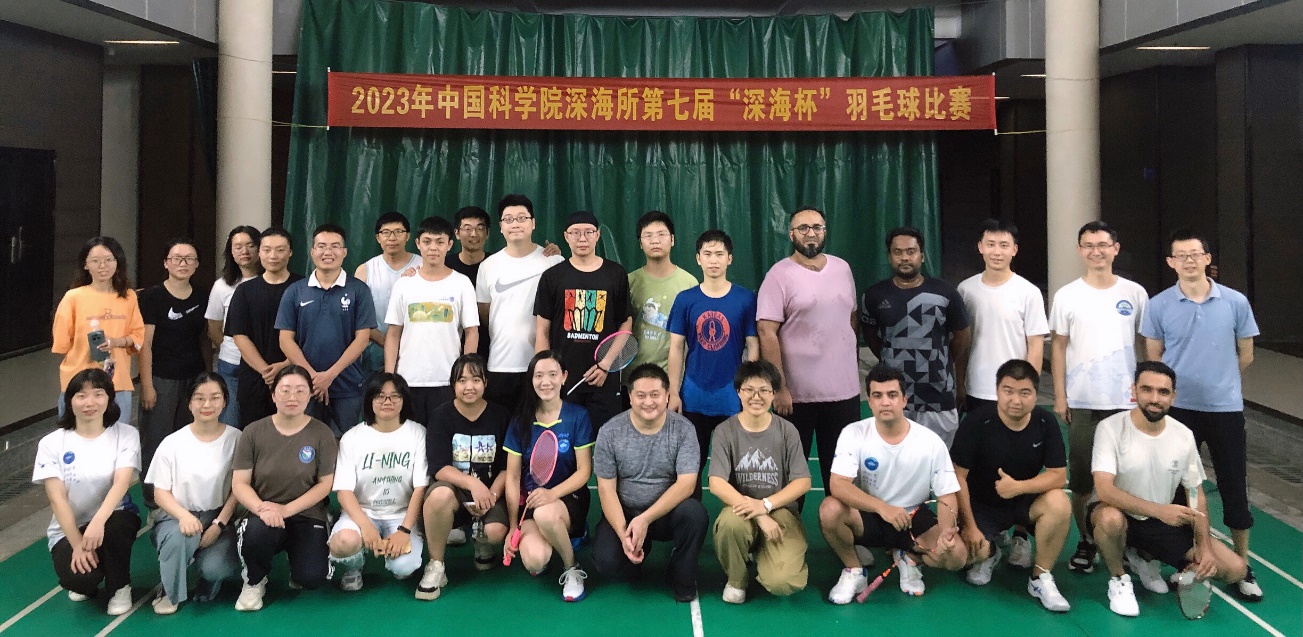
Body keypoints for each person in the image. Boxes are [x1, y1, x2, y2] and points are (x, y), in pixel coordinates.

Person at [1141, 229, 1262, 600]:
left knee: (1233, 486)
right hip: (1178, 412)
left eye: (1195, 254)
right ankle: (1183, 559)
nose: (1189, 260)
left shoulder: (1236, 302)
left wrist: (1220, 382)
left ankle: (1242, 567)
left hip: (1225, 410)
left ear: (1208, 259)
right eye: (1181, 255)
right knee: (1174, 489)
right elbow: (1154, 358)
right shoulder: (1158, 305)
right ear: (1171, 262)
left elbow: (1246, 354)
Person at [1087, 361, 1248, 617]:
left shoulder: (1183, 435)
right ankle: (1119, 578)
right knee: (1110, 520)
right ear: (1134, 390)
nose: (1154, 398)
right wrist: (1160, 511)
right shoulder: (1111, 428)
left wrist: (1204, 545)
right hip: (1118, 511)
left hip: (1161, 522)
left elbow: (1195, 493)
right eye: (1147, 389)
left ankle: (1145, 557)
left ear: (1173, 397)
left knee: (1235, 569)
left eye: (1163, 392)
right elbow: (1105, 490)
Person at [1048, 221, 1148, 575]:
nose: (1096, 251)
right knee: (1082, 481)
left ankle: (1129, 544)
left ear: (1115, 249)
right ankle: (1087, 540)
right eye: (1088, 245)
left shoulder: (1135, 293)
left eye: (1103, 245)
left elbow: (1146, 344)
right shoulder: (1067, 295)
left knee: (1128, 480)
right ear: (1080, 251)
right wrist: (1060, 396)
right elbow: (1058, 348)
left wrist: (1146, 391)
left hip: (1127, 405)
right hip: (1083, 403)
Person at [819, 364, 966, 604]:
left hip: (913, 517)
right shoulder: (853, 433)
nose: (885, 402)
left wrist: (945, 534)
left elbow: (947, 495)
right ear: (869, 401)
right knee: (829, 509)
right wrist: (882, 508)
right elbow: (838, 485)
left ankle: (911, 559)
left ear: (904, 400)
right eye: (877, 396)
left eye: (892, 395)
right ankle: (854, 570)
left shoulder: (930, 442)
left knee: (956, 556)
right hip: (869, 515)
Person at [951, 360, 1071, 612]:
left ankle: (1040, 577)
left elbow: (1058, 476)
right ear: (997, 391)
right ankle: (991, 551)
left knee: (1059, 502)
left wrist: (1018, 487)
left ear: (1036, 394)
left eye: (1024, 392)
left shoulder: (1045, 422)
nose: (1016, 400)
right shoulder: (976, 422)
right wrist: (970, 526)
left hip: (1023, 502)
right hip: (982, 506)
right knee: (961, 554)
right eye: (1008, 391)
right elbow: (958, 477)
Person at [757, 206, 859, 494]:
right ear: (791, 235)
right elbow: (766, 332)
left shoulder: (843, 269)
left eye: (817, 227)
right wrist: (779, 388)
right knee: (790, 478)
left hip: (844, 395)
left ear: (825, 232)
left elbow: (851, 318)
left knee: (841, 480)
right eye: (803, 228)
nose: (810, 233)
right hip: (795, 398)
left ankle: (839, 525)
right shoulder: (778, 275)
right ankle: (788, 524)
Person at [592, 364, 706, 602]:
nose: (648, 402)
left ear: (667, 396)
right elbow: (606, 489)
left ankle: (681, 575)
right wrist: (624, 533)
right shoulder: (609, 432)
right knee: (606, 562)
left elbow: (687, 484)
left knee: (694, 514)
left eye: (655, 395)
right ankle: (635, 552)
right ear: (630, 397)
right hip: (626, 513)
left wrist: (645, 519)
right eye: (641, 395)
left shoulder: (684, 430)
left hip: (666, 515)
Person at [32, 368, 142, 615]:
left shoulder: (126, 434)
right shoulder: (51, 443)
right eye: (81, 396)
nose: (89, 402)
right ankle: (90, 579)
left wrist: (98, 522)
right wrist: (77, 543)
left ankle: (119, 586)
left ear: (109, 399)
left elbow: (121, 482)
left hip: (112, 517)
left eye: (98, 394)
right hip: (70, 527)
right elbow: (57, 498)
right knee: (80, 579)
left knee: (118, 526)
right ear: (69, 401)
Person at [231, 365, 338, 611]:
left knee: (312, 577)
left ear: (310, 396)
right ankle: (254, 580)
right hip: (263, 514)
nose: (292, 397)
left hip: (306, 513)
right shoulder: (253, 432)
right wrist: (262, 509)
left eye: (300, 391)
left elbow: (325, 484)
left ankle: (298, 558)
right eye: (285, 390)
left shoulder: (322, 433)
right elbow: (240, 483)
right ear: (273, 395)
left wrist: (286, 510)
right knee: (257, 535)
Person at [709, 360, 810, 603]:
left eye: (764, 390)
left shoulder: (787, 431)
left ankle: (768, 554)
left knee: (782, 582)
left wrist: (765, 505)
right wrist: (759, 513)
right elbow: (716, 483)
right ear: (738, 392)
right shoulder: (725, 431)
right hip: (740, 511)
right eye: (749, 390)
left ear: (774, 394)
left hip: (780, 511)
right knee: (730, 524)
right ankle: (737, 579)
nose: (756, 397)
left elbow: (803, 482)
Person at [860, 227, 971, 447]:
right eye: (898, 252)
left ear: (922, 255)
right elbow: (872, 338)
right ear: (889, 256)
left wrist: (941, 362)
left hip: (938, 398)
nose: (904, 257)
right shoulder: (874, 296)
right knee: (895, 460)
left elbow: (962, 337)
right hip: (893, 398)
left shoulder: (945, 293)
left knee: (940, 462)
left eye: (911, 251)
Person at [667, 230, 758, 499]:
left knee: (738, 468)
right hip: (693, 396)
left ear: (730, 259)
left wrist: (749, 391)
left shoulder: (745, 299)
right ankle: (690, 522)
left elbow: (753, 346)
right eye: (707, 254)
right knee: (689, 470)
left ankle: (740, 519)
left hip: (732, 397)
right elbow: (676, 348)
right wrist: (673, 392)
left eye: (719, 254)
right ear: (698, 259)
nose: (713, 260)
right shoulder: (685, 299)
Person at [502, 351, 595, 602]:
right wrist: (513, 526)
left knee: (545, 514)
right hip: (531, 502)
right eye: (539, 376)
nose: (546, 382)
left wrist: (551, 494)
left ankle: (571, 566)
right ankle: (556, 537)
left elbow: (584, 472)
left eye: (553, 374)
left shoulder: (577, 416)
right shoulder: (520, 421)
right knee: (535, 561)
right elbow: (512, 478)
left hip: (569, 497)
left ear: (564, 377)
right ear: (531, 380)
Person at [144, 372, 241, 614]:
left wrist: (219, 524)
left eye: (215, 397)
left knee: (215, 567)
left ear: (225, 402)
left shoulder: (237, 439)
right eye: (199, 398)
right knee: (179, 538)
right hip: (177, 516)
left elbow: (238, 489)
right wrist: (184, 516)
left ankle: (209, 577)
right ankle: (170, 591)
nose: (207, 404)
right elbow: (160, 493)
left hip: (219, 517)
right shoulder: (172, 443)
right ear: (189, 403)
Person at [417, 355, 512, 600]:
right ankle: (436, 564)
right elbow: (439, 467)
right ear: (453, 385)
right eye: (462, 380)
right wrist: (472, 483)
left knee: (495, 532)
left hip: (490, 493)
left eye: (476, 380)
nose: (469, 386)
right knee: (439, 495)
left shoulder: (501, 415)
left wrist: (491, 496)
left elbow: (507, 468)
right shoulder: (441, 416)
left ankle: (481, 539)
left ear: (485, 383)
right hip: (455, 492)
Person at [328, 372, 428, 591]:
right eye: (380, 396)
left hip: (401, 514)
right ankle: (355, 566)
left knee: (405, 567)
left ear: (404, 400)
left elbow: (421, 487)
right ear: (369, 400)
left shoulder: (418, 433)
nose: (387, 401)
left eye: (395, 396)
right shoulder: (352, 438)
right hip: (363, 512)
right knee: (343, 543)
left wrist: (404, 531)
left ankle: (395, 556)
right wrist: (366, 527)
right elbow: (343, 491)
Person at [534, 210, 633, 430]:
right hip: (563, 381)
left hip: (604, 381)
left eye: (588, 232)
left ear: (597, 235)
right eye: (575, 232)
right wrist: (548, 375)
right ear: (566, 236)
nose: (582, 238)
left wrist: (606, 365)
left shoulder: (616, 274)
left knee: (604, 443)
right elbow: (542, 330)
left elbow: (625, 324)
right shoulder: (552, 276)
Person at [277, 223, 377, 436]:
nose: (328, 252)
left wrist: (329, 375)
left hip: (347, 385)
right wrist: (313, 377)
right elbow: (285, 340)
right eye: (321, 246)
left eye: (335, 246)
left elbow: (362, 338)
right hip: (304, 385)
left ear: (344, 252)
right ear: (312, 251)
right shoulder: (295, 291)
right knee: (304, 442)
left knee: (346, 443)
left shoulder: (359, 290)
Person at [385, 216, 480, 426]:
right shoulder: (404, 285)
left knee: (443, 439)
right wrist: (390, 377)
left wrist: (465, 374)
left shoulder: (462, 283)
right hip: (408, 380)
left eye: (439, 242)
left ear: (450, 245)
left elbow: (471, 331)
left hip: (447, 380)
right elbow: (393, 333)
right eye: (427, 242)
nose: (433, 248)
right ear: (418, 243)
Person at [139, 239, 210, 508]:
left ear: (197, 264)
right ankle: (153, 500)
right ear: (166, 263)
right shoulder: (152, 297)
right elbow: (145, 344)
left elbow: (204, 338)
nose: (183, 263)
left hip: (194, 378)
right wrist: (147, 385)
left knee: (189, 438)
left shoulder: (203, 295)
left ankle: (182, 497)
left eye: (189, 258)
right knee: (156, 440)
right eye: (177, 258)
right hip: (161, 378)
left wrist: (208, 377)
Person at [477, 194, 564, 408]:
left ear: (533, 223)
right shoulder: (488, 266)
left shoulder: (554, 262)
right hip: (499, 366)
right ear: (500, 227)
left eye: (522, 218)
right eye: (508, 219)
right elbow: (485, 312)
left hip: (542, 369)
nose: (515, 224)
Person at [957, 219, 1049, 414]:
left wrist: (1028, 389)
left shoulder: (1029, 292)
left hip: (1014, 391)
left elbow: (1035, 346)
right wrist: (959, 383)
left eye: (1004, 245)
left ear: (1014, 250)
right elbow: (962, 343)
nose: (997, 252)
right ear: (980, 247)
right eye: (991, 244)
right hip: (976, 387)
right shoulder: (965, 290)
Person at [52, 236, 144, 422]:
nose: (103, 266)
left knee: (116, 437)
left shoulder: (128, 297)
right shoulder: (73, 297)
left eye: (109, 260)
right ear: (85, 265)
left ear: (118, 262)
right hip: (78, 382)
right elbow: (61, 344)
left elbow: (137, 336)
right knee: (76, 436)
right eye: (95, 261)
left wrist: (115, 342)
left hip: (117, 382)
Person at [225, 227, 303, 428]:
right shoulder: (244, 291)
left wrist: (285, 365)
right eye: (267, 250)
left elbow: (310, 334)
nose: (273, 256)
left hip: (296, 375)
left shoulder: (304, 288)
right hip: (254, 379)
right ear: (259, 252)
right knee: (255, 435)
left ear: (290, 252)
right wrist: (266, 371)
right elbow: (239, 336)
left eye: (280, 250)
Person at [626, 211, 698, 381]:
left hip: (673, 380)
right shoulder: (629, 282)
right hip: (633, 379)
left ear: (672, 240)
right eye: (648, 235)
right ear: (640, 243)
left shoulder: (689, 283)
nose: (655, 241)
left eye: (661, 234)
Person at [206, 226, 261, 426]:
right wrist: (231, 347)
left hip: (266, 364)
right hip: (232, 364)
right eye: (237, 246)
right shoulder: (222, 286)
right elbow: (214, 327)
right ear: (230, 251)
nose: (244, 251)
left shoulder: (271, 281)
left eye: (250, 245)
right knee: (231, 422)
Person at [355, 212, 421, 378]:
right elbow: (359, 317)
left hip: (415, 354)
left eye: (398, 232)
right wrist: (389, 345)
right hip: (373, 355)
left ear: (408, 236)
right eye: (386, 232)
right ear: (378, 238)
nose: (392, 238)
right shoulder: (365, 270)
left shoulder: (423, 265)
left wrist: (401, 348)